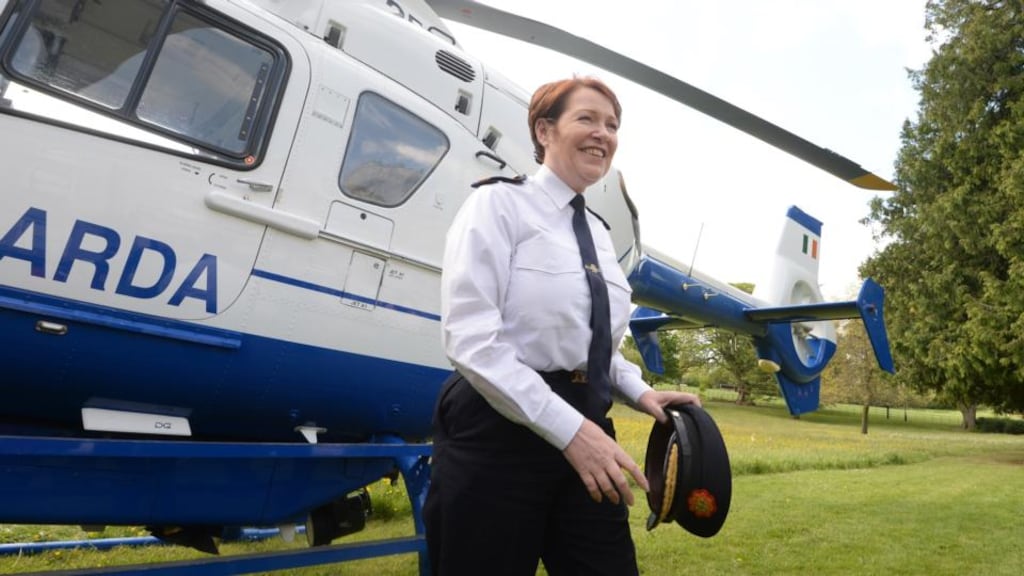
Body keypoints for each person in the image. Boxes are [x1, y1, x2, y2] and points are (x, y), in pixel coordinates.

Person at [424, 77, 702, 576]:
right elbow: (470, 338)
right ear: (545, 130)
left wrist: (642, 393)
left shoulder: (598, 232)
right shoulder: (497, 205)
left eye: (613, 125)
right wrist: (571, 432)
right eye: (588, 119)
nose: (604, 134)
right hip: (497, 427)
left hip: (588, 421)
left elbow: (597, 346)